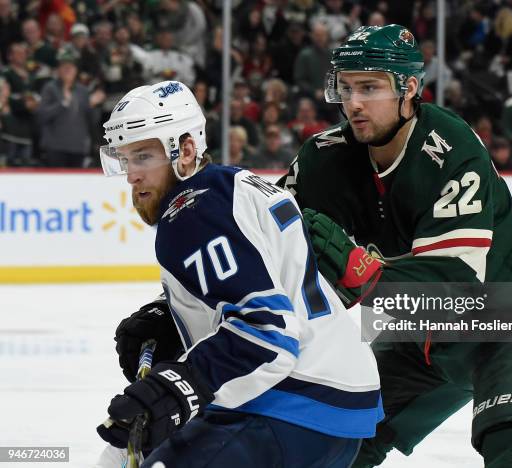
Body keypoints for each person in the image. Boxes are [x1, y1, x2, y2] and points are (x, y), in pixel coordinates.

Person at [278, 25, 512, 468]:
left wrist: (360, 275)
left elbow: (455, 287)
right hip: (424, 335)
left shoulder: (450, 147)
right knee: (334, 439)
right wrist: (171, 313)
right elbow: (262, 244)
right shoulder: (323, 159)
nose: (354, 103)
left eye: (370, 87)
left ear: (410, 89)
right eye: (346, 88)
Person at [95, 80, 382, 467]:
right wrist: (172, 314)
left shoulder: (189, 210)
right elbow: (262, 285)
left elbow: (268, 332)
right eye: (125, 159)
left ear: (187, 149)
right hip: (335, 411)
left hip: (291, 405)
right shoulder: (235, 187)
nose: (132, 175)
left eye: (144, 156)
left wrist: (179, 385)